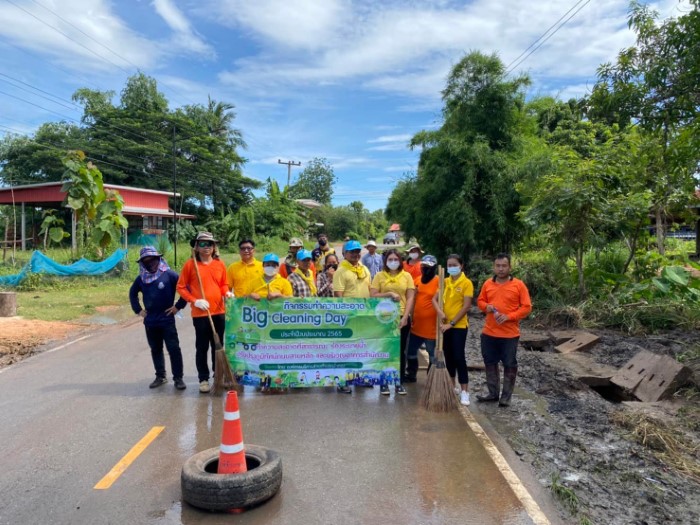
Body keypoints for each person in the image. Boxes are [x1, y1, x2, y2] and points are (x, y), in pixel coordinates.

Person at [176, 232, 231, 393]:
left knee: (218, 346)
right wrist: (195, 300)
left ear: (214, 247)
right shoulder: (190, 265)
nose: (206, 247)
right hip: (200, 314)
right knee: (202, 347)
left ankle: (218, 376)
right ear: (196, 247)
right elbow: (180, 287)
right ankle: (203, 379)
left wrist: (226, 293)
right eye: (202, 244)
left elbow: (223, 284)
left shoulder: (220, 264)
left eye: (209, 244)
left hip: (219, 311)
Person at [476, 253, 532, 407]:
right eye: (498, 266)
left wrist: (509, 316)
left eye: (504, 266)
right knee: (490, 362)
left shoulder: (518, 285)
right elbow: (480, 300)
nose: (500, 269)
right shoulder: (488, 284)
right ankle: (493, 393)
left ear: (510, 267)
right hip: (489, 333)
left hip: (509, 334)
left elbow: (527, 307)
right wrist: (485, 306)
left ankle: (506, 397)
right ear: (494, 267)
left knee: (509, 363)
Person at [129, 246, 188, 390]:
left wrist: (178, 307)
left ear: (158, 259)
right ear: (142, 263)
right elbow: (132, 294)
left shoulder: (169, 275)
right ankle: (160, 376)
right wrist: (139, 310)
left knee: (173, 349)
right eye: (146, 261)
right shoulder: (141, 279)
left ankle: (178, 378)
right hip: (150, 322)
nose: (150, 263)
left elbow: (185, 289)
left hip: (167, 320)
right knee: (155, 349)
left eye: (153, 259)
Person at [370, 248, 415, 396]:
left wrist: (405, 316)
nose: (393, 262)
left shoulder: (407, 276)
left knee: (400, 351)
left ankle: (399, 382)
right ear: (385, 261)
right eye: (390, 260)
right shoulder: (379, 276)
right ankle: (384, 383)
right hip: (383, 318)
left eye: (396, 259)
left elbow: (410, 297)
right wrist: (388, 294)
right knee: (384, 350)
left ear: (400, 261)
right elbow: (373, 295)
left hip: (401, 317)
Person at [433, 254, 473, 406]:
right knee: (448, 356)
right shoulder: (444, 281)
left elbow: (466, 306)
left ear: (461, 266)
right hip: (444, 325)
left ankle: (465, 391)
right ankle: (451, 385)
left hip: (459, 326)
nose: (451, 267)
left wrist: (452, 322)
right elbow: (433, 299)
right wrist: (440, 312)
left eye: (454, 264)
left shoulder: (466, 283)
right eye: (449, 265)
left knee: (459, 357)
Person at [332, 240, 371, 393]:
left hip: (364, 317)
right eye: (352, 251)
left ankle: (359, 378)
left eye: (357, 251)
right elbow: (338, 296)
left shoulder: (364, 269)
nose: (355, 254)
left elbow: (370, 290)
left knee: (361, 348)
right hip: (348, 318)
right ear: (344, 254)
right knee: (345, 350)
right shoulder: (341, 271)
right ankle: (343, 381)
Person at [405, 254, 439, 382]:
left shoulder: (439, 281)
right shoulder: (417, 280)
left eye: (428, 267)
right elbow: (412, 299)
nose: (425, 269)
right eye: (423, 266)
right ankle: (412, 374)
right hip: (416, 325)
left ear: (434, 267)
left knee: (432, 355)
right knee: (411, 352)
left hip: (431, 328)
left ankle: (431, 379)